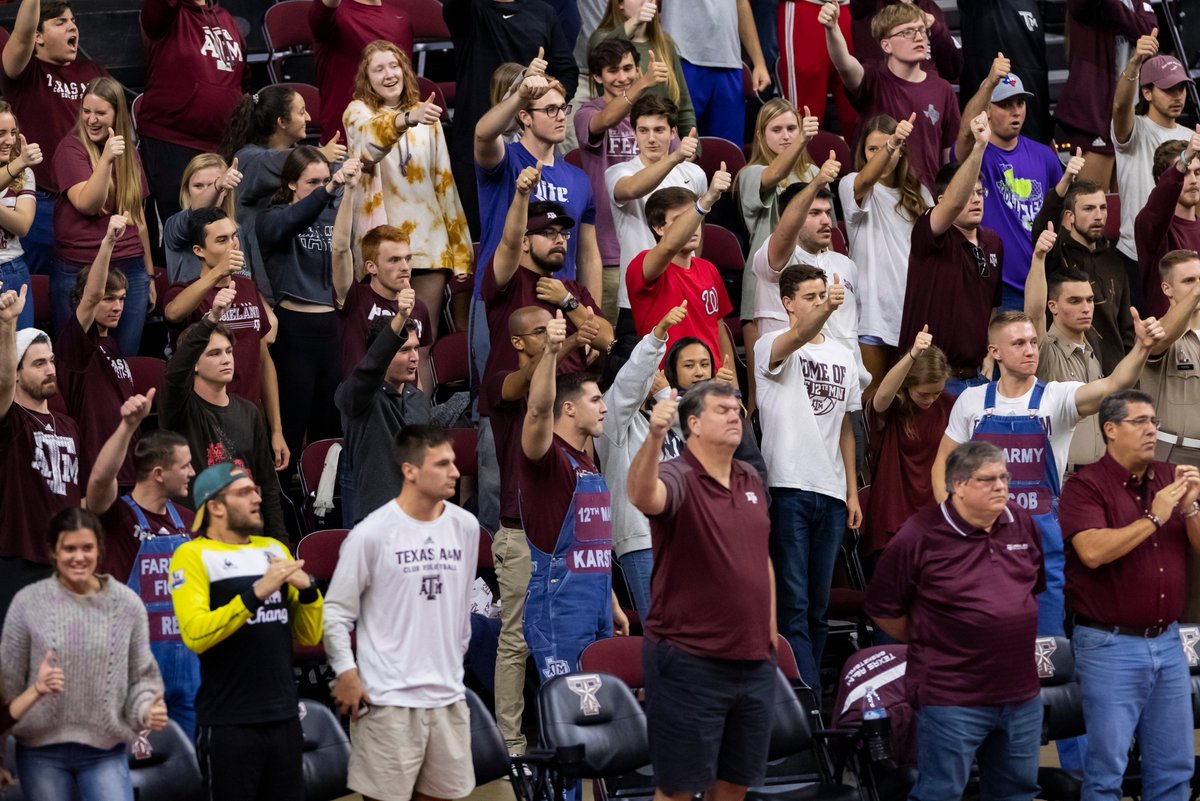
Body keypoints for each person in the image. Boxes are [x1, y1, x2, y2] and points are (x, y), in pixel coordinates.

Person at [932, 304, 1173, 636]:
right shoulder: (971, 401)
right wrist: (953, 523)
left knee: (1046, 642)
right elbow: (943, 464)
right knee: (981, 635)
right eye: (1018, 344)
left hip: (1042, 538)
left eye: (1033, 341)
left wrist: (1142, 347)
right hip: (981, 535)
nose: (1030, 350)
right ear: (995, 352)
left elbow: (1116, 384)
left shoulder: (1057, 397)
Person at [867, 441, 1045, 801]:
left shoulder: (1021, 523)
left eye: (1004, 477)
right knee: (941, 793)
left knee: (1017, 793)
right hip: (952, 696)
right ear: (958, 485)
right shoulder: (919, 535)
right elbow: (882, 608)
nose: (1002, 487)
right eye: (988, 479)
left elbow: (1031, 589)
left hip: (1021, 695)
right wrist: (934, 636)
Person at [627, 379, 776, 801]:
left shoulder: (749, 477)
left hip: (752, 659)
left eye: (737, 409)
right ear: (692, 423)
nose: (734, 415)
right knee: (678, 790)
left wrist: (770, 634)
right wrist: (656, 435)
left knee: (733, 787)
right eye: (722, 410)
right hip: (690, 660)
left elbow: (760, 557)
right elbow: (642, 495)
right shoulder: (677, 475)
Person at [1059, 389, 1200, 801]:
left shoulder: (1170, 478)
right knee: (1107, 773)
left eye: (1154, 421)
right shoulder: (1085, 486)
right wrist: (1154, 516)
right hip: (1109, 644)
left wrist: (1190, 509)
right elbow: (1092, 552)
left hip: (1169, 642)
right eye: (1140, 422)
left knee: (1175, 769)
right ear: (1110, 429)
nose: (1152, 430)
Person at [324, 425, 478, 801]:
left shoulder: (466, 527)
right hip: (387, 700)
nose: (455, 473)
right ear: (410, 470)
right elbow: (336, 612)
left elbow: (460, 611)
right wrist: (346, 671)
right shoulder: (372, 533)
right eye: (442, 464)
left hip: (447, 696)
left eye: (453, 463)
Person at [170, 463, 323, 801]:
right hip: (229, 724)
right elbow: (195, 634)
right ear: (215, 506)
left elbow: (309, 636)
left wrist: (310, 591)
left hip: (284, 716)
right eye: (244, 492)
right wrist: (256, 594)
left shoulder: (275, 549)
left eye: (255, 490)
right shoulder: (191, 555)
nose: (257, 498)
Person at [1, 507, 168, 801]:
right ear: (53, 552)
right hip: (40, 752)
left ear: (100, 549)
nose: (79, 557)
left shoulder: (127, 605)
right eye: (69, 548)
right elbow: (7, 685)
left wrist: (146, 710)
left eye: (87, 548)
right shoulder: (27, 603)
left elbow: (142, 678)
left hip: (106, 749)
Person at [756, 264, 858, 696]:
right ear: (787, 302)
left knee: (817, 609)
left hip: (831, 493)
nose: (819, 303)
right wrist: (828, 310)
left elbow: (847, 428)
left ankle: (807, 695)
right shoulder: (770, 346)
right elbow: (798, 337)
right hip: (788, 487)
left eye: (824, 296)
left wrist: (852, 491)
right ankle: (807, 705)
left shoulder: (842, 354)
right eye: (811, 297)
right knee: (794, 606)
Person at [519, 310, 628, 683]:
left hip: (594, 603)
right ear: (568, 408)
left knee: (601, 717)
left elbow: (591, 545)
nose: (604, 407)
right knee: (571, 715)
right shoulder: (548, 458)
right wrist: (551, 351)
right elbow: (536, 410)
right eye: (595, 400)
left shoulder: (589, 462)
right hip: (560, 610)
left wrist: (608, 598)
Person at [473, 67, 602, 381]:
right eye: (550, 109)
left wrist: (592, 318)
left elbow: (588, 256)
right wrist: (520, 93)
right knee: (499, 407)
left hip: (559, 302)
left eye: (563, 108)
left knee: (562, 408)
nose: (561, 116)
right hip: (503, 300)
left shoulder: (579, 178)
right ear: (525, 117)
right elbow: (483, 133)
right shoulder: (505, 160)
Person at [86, 398, 201, 740]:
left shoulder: (191, 523)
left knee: (193, 773)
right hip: (135, 670)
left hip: (191, 669)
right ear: (158, 473)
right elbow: (97, 482)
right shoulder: (117, 518)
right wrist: (127, 427)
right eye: (185, 465)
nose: (193, 473)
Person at [343, 39, 471, 339]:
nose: (388, 75)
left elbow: (445, 184)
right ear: (367, 78)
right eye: (378, 69)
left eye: (394, 66)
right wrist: (405, 120)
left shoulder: (425, 114)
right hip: (382, 244)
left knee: (421, 341)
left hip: (429, 243)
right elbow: (370, 148)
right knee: (384, 343)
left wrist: (461, 251)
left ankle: (422, 391)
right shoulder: (357, 113)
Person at [257, 147, 362, 468]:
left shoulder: (336, 213)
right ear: (290, 183)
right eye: (311, 181)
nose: (320, 187)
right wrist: (330, 189)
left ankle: (325, 511)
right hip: (294, 332)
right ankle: (286, 505)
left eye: (325, 180)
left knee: (330, 432)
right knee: (290, 427)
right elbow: (292, 219)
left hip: (333, 331)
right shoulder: (272, 217)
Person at [443, 1, 578, 236]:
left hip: (531, 149)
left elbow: (567, 72)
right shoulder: (471, 10)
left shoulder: (543, 12)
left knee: (536, 235)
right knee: (480, 239)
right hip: (476, 149)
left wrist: (543, 94)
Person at [335, 291, 469, 524]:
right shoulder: (358, 397)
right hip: (375, 523)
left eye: (416, 348)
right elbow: (370, 367)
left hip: (416, 520)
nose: (415, 358)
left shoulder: (416, 399)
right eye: (404, 350)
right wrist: (400, 317)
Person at [163, 207, 284, 463]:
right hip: (206, 422)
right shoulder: (184, 291)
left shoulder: (248, 287)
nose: (233, 245)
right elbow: (173, 313)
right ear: (199, 251)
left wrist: (276, 430)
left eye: (233, 236)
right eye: (221, 240)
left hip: (250, 417)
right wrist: (218, 273)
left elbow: (264, 362)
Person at [160, 301, 287, 540]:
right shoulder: (179, 409)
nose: (226, 359)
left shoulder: (250, 411)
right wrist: (210, 319)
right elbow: (174, 375)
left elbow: (268, 487)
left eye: (229, 351)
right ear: (194, 363)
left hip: (247, 535)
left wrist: (280, 544)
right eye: (214, 353)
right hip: (200, 536)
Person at [896, 112, 1001, 397]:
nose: (976, 199)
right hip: (931, 379)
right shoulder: (929, 232)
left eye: (980, 192)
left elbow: (991, 307)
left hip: (978, 377)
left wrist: (991, 355)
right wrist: (979, 148)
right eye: (969, 193)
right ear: (941, 201)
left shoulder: (993, 243)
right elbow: (954, 204)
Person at [0, 0, 107, 278]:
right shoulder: (26, 73)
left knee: (84, 289)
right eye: (59, 22)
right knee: (34, 287)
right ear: (38, 37)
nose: (72, 26)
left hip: (90, 199)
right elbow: (21, 35)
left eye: (73, 21)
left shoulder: (92, 71)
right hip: (40, 200)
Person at [596, 302, 687, 616]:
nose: (659, 375)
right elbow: (630, 382)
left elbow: (696, 426)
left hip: (684, 535)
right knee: (664, 634)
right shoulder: (612, 413)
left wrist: (664, 394)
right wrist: (657, 336)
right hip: (643, 539)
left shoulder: (662, 410)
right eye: (654, 370)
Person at [53, 77, 153, 356]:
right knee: (75, 359)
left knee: (123, 360)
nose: (91, 119)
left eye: (100, 113)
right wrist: (107, 160)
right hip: (80, 268)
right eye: (86, 111)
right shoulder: (70, 149)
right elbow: (87, 203)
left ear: (117, 114)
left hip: (130, 268)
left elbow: (138, 217)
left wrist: (149, 274)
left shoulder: (128, 152)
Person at [0, 285, 81, 627]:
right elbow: (3, 386)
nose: (50, 369)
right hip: (20, 557)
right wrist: (7, 326)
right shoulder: (11, 419)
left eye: (51, 361)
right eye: (37, 364)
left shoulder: (69, 425)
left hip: (68, 559)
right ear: (18, 372)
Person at [955, 55, 1064, 309]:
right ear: (987, 111)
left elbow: (1060, 214)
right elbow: (965, 134)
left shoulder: (1045, 156)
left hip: (1042, 281)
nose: (1016, 110)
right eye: (1005, 104)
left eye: (1020, 102)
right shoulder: (977, 153)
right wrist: (990, 83)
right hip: (995, 286)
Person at [751, 156, 869, 389]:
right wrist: (817, 183)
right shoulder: (775, 257)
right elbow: (785, 233)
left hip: (847, 386)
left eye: (827, 212)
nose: (826, 221)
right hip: (794, 384)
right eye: (814, 213)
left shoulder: (846, 264)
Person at [575, 37, 669, 321]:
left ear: (637, 68)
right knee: (607, 343)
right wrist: (642, 84)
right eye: (612, 71)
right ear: (596, 76)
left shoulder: (654, 117)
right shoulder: (587, 113)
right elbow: (603, 122)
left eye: (628, 68)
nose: (623, 77)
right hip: (607, 254)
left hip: (655, 249)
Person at [219, 85, 346, 295]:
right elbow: (275, 161)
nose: (308, 117)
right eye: (301, 111)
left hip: (293, 268)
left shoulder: (297, 156)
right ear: (282, 122)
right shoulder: (248, 158)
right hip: (255, 277)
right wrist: (320, 154)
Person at [820, 0, 959, 191]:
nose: (919, 37)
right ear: (886, 45)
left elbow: (948, 156)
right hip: (877, 200)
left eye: (922, 30)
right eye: (907, 32)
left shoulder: (943, 89)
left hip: (927, 202)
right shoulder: (872, 80)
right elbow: (843, 64)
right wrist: (832, 28)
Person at [839, 112, 930, 386]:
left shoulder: (920, 193)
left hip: (913, 310)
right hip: (873, 314)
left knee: (911, 402)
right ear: (863, 153)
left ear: (903, 151)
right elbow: (866, 181)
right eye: (873, 149)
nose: (881, 154)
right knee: (872, 400)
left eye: (889, 147)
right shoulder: (852, 184)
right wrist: (891, 144)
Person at [137, 0, 247, 226]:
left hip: (221, 143)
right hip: (172, 140)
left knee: (218, 227)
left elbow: (242, 83)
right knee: (180, 227)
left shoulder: (225, 17)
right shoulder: (166, 14)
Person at [738, 99, 820, 389]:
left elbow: (826, 229)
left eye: (791, 128)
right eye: (777, 129)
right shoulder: (749, 174)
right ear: (760, 136)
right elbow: (773, 175)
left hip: (808, 287)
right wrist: (802, 142)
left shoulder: (811, 172)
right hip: (763, 289)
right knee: (761, 387)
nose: (786, 136)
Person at [605, 96, 705, 333]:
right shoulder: (619, 171)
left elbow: (697, 230)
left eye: (659, 130)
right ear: (635, 133)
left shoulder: (695, 173)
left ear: (673, 133)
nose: (651, 138)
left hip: (683, 292)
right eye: (643, 130)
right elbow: (632, 189)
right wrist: (675, 157)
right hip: (638, 295)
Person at [55, 214, 137, 487]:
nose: (117, 307)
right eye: (109, 299)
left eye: (122, 299)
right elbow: (91, 296)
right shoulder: (74, 343)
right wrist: (108, 243)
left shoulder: (112, 344)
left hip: (127, 468)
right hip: (96, 470)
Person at [627, 176, 735, 373]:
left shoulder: (708, 269)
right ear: (659, 228)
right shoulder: (641, 265)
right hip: (665, 385)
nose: (693, 226)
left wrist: (733, 389)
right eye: (681, 220)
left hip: (710, 384)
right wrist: (706, 200)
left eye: (696, 218)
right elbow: (668, 247)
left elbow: (719, 333)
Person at [1111, 29, 1192, 293]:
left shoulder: (1191, 137)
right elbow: (1121, 107)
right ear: (1146, 93)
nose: (1178, 95)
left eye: (1182, 87)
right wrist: (1134, 62)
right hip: (1136, 253)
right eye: (1169, 89)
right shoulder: (1136, 130)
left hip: (1182, 254)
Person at [1022, 230, 1108, 470]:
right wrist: (1039, 257)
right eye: (1074, 301)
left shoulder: (1091, 348)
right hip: (1063, 478)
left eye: (1089, 300)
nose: (1086, 308)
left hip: (1098, 474)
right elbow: (1033, 313)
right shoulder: (1044, 349)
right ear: (1053, 306)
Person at [863, 325, 951, 556]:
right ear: (907, 385)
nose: (931, 400)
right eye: (924, 394)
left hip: (934, 523)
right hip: (893, 518)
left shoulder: (949, 406)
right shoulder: (893, 408)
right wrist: (912, 355)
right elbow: (881, 396)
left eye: (937, 393)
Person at [1032, 177, 1135, 375]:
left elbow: (1126, 329)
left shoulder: (1115, 260)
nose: (1098, 216)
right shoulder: (1056, 254)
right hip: (1066, 372)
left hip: (1113, 376)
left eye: (1102, 208)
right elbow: (1043, 228)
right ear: (1070, 216)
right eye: (1088, 209)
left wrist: (1130, 379)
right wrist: (1063, 183)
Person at [1052, 0, 1156, 190]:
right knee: (1092, 206)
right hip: (1095, 113)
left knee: (1130, 207)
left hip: (1132, 113)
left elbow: (1149, 30)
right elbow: (1079, 7)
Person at [659, 0, 771, 143]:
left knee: (728, 152)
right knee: (677, 148)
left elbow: (741, 3)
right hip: (682, 58)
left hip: (729, 61)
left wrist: (759, 62)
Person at [336, 224, 435, 387]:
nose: (404, 267)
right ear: (371, 267)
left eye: (408, 258)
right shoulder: (355, 299)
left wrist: (420, 409)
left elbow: (415, 373)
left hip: (404, 407)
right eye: (394, 260)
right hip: (366, 404)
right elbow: (340, 250)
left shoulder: (419, 308)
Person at [587, 0, 697, 137]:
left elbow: (683, 105)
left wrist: (692, 146)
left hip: (664, 143)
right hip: (618, 142)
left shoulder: (665, 44)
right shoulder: (601, 38)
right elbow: (603, 50)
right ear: (619, 4)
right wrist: (636, 20)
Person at [308, 0, 412, 145]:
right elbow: (321, 14)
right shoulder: (334, 14)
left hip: (397, 142)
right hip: (345, 147)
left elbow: (405, 83)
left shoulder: (400, 18)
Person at [957, 0, 1050, 144]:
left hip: (1033, 126)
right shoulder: (982, 6)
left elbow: (1038, 72)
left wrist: (1046, 131)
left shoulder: (1031, 4)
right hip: (988, 134)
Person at [1141, 249, 1200, 471]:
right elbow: (1160, 341)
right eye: (1189, 281)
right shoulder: (1156, 329)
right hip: (1173, 454)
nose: (1197, 287)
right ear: (1167, 289)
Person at [1135, 136, 1200, 317]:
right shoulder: (1151, 226)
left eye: (1198, 172)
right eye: (1185, 172)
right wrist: (1182, 162)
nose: (1193, 180)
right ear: (1161, 179)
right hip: (1172, 339)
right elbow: (1158, 208)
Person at [777, 0, 858, 133]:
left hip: (849, 8)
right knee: (805, 115)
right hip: (805, 8)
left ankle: (861, 154)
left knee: (856, 114)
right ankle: (802, 154)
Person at [161, 153, 242, 284]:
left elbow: (248, 276)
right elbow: (198, 214)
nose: (207, 191)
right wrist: (217, 186)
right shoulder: (175, 224)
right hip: (193, 303)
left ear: (227, 190)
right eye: (198, 186)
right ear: (187, 191)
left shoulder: (237, 228)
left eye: (211, 184)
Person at [0, 101, 42, 331]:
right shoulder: (20, 165)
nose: (9, 140)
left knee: (21, 351)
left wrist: (20, 165)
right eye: (1, 133)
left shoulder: (24, 173)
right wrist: (19, 163)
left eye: (13, 133)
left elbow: (23, 225)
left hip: (12, 270)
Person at [848, 0, 961, 81]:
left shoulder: (929, 6)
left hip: (927, 91)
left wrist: (936, 28)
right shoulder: (870, 5)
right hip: (885, 91)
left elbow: (952, 70)